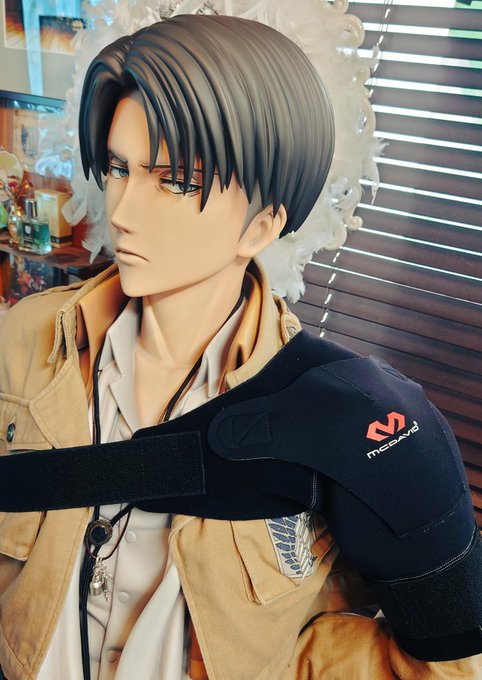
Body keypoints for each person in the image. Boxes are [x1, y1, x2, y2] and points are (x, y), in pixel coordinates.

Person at [0, 14, 481, 680]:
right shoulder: (23, 341)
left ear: (261, 225)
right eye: (117, 168)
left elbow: (445, 661)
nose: (124, 211)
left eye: (175, 181)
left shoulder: (340, 422)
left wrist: (294, 664)